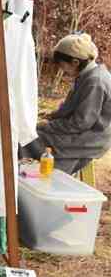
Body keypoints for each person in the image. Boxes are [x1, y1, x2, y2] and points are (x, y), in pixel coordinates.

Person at [22, 32, 111, 173]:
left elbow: (80, 123)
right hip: (81, 131)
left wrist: (48, 125)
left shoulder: (95, 82)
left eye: (62, 65)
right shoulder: (86, 76)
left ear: (75, 62)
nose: (62, 70)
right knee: (31, 132)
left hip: (90, 138)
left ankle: (45, 178)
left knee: (30, 138)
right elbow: (70, 107)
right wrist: (50, 116)